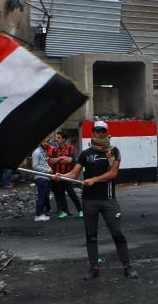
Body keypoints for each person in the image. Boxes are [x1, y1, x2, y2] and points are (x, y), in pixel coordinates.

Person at [55, 120, 138, 280]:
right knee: (91, 236)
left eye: (103, 131)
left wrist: (94, 179)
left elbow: (113, 174)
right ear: (93, 133)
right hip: (89, 201)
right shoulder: (86, 154)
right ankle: (94, 268)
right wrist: (61, 176)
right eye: (97, 131)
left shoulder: (113, 151)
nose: (100, 134)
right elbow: (74, 174)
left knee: (117, 233)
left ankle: (127, 266)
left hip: (108, 200)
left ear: (107, 133)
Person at [50, 130, 82, 218]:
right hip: (57, 175)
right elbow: (52, 161)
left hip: (67, 175)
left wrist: (59, 159)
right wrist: (62, 158)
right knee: (60, 194)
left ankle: (80, 210)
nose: (57, 139)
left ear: (64, 139)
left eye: (59, 138)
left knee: (71, 193)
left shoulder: (70, 148)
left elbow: (70, 160)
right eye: (57, 137)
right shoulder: (54, 149)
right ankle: (65, 211)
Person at [31, 140, 52, 222]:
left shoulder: (42, 151)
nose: (46, 143)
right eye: (44, 142)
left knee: (45, 197)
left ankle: (40, 214)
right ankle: (38, 215)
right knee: (41, 197)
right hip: (41, 178)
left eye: (47, 142)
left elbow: (42, 164)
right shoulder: (37, 152)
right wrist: (48, 170)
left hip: (45, 177)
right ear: (40, 142)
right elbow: (35, 166)